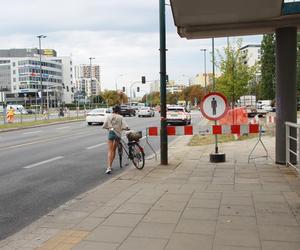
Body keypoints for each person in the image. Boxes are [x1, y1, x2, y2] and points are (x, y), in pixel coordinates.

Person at [102, 105, 128, 174]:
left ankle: (109, 167)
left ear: (113, 110)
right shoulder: (120, 117)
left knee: (110, 150)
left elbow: (104, 126)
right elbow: (125, 126)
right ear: (119, 111)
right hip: (118, 135)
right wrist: (125, 128)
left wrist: (109, 128)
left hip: (111, 133)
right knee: (114, 150)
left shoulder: (109, 116)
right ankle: (110, 165)